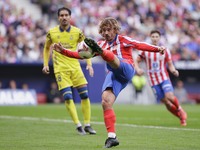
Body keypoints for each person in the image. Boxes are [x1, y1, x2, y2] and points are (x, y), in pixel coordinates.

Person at [53, 17, 165, 148]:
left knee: (113, 61)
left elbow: (139, 44)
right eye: (104, 30)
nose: (106, 33)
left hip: (126, 68)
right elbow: (81, 56)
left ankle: (103, 54)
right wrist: (64, 51)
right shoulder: (101, 43)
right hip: (113, 74)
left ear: (115, 30)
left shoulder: (123, 40)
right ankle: (112, 137)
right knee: (106, 101)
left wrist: (158, 49)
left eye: (109, 30)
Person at [42, 7, 96, 135]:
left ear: (70, 17)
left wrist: (89, 64)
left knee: (85, 95)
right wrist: (45, 64)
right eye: (61, 15)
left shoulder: (78, 32)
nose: (64, 17)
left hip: (75, 67)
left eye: (66, 15)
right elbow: (46, 48)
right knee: (67, 97)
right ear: (58, 17)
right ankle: (78, 125)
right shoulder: (52, 33)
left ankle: (87, 124)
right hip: (61, 69)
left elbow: (85, 48)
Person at [134, 30, 187, 126]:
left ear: (159, 38)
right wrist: (138, 69)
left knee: (169, 96)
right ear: (150, 37)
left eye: (156, 36)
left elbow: (170, 64)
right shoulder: (145, 49)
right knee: (165, 102)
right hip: (152, 80)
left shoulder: (165, 49)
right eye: (153, 36)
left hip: (163, 77)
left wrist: (174, 70)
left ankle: (180, 109)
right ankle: (181, 117)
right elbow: (136, 61)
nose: (155, 38)